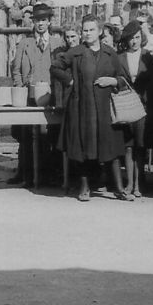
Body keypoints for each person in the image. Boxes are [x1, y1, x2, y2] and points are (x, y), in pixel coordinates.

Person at [51, 15, 132, 201]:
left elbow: (122, 78)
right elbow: (55, 67)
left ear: (100, 31)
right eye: (85, 30)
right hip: (82, 108)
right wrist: (70, 80)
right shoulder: (76, 52)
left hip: (105, 109)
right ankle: (84, 188)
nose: (87, 34)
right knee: (83, 149)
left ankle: (120, 188)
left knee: (110, 148)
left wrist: (113, 80)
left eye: (91, 30)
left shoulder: (110, 53)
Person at [9, 4, 64, 186]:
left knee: (49, 134)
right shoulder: (25, 43)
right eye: (37, 20)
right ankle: (25, 173)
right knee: (26, 135)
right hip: (28, 97)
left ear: (49, 22)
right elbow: (15, 69)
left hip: (51, 96)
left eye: (43, 20)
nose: (40, 24)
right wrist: (21, 87)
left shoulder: (57, 43)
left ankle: (50, 175)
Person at [116, 19, 153, 197]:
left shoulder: (148, 56)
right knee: (128, 146)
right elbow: (117, 79)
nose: (134, 41)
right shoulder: (120, 58)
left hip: (143, 107)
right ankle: (129, 183)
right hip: (126, 105)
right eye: (131, 38)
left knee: (141, 146)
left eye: (137, 37)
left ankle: (139, 184)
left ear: (142, 38)